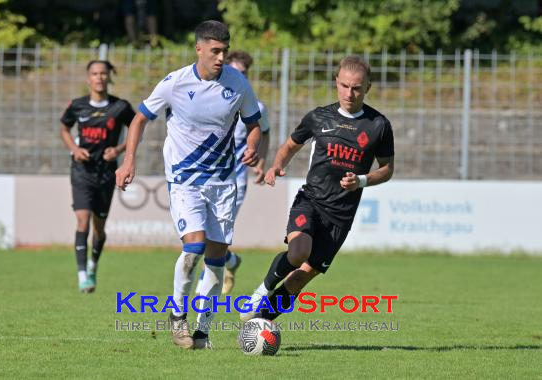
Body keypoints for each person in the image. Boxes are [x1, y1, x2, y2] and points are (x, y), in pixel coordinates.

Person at [115, 21, 262, 349]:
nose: (221, 57)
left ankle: (202, 332)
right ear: (199, 49)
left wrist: (253, 145)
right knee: (193, 246)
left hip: (223, 182)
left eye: (224, 50)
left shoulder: (238, 83)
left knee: (217, 257)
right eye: (215, 51)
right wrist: (128, 161)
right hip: (185, 181)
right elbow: (139, 119)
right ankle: (177, 314)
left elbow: (255, 124)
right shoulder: (175, 84)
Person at [240, 55, 395, 321]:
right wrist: (276, 165)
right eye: (344, 85)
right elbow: (289, 146)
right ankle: (262, 290)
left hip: (340, 217)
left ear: (367, 87)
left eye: (356, 87)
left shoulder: (378, 125)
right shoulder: (319, 117)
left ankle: (259, 323)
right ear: (336, 82)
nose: (349, 92)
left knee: (302, 277)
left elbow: (387, 169)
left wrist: (361, 181)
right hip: (311, 201)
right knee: (299, 251)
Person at [194, 51, 271, 296]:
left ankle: (202, 287)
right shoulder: (210, 99)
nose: (238, 76)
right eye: (234, 70)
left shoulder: (255, 106)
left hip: (234, 178)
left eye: (243, 73)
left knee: (212, 233)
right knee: (199, 233)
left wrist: (260, 160)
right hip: (204, 175)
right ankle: (231, 261)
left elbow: (264, 132)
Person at [60, 60, 136, 293]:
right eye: (94, 74)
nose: (99, 77)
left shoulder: (120, 106)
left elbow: (136, 128)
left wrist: (119, 149)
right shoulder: (77, 106)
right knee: (82, 219)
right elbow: (64, 128)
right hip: (82, 171)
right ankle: (83, 275)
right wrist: (74, 149)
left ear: (108, 77)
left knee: (99, 228)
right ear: (88, 78)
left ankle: (93, 265)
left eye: (103, 74)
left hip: (106, 174)